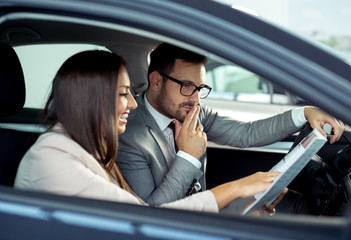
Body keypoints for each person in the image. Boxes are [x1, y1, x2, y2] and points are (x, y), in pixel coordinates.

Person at [14, 50, 284, 214]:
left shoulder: (85, 150)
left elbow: (247, 132)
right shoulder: (52, 159)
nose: (132, 102)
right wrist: (235, 188)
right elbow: (145, 220)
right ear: (91, 100)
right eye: (123, 94)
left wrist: (239, 207)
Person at [117, 43, 346, 213]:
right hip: (180, 224)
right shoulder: (127, 135)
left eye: (201, 88)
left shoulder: (194, 111)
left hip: (207, 210)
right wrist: (188, 156)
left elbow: (245, 134)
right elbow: (152, 213)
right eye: (187, 86)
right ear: (156, 81)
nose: (196, 98)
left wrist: (304, 112)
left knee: (300, 205)